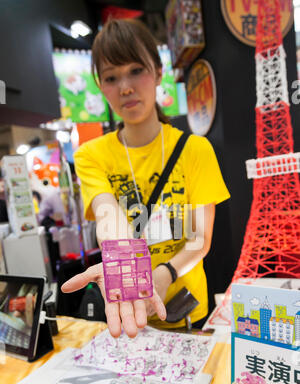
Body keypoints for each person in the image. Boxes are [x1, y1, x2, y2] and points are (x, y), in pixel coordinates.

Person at [61, 19, 230, 339]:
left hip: (186, 313)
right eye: (111, 77)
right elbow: (107, 211)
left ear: (157, 71)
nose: (125, 87)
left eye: (136, 70)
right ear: (101, 86)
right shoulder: (91, 154)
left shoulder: (195, 150)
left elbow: (199, 239)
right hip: (126, 314)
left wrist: (162, 277)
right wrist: (126, 264)